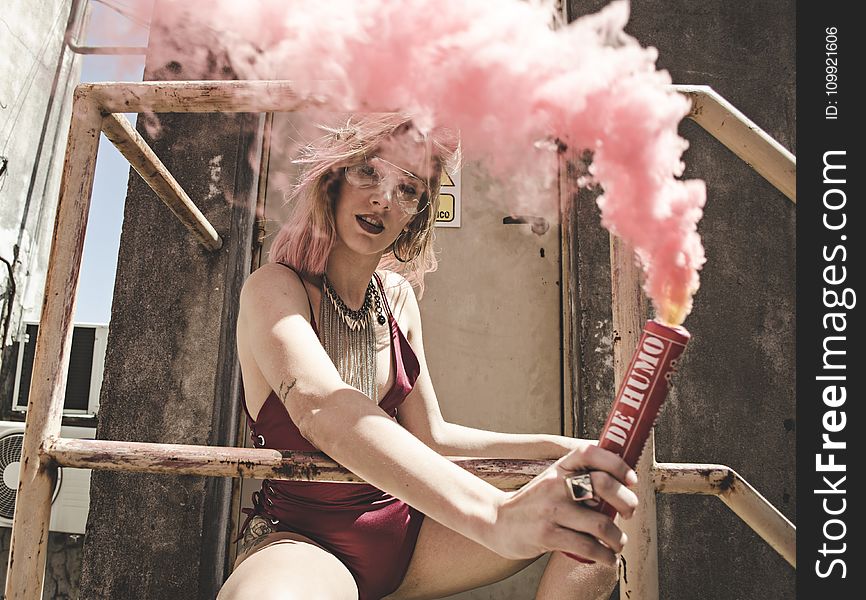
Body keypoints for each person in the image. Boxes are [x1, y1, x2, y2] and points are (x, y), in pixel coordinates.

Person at [218, 114, 639, 600]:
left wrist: (562, 448)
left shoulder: (395, 297)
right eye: (370, 172)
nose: (383, 199)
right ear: (335, 177)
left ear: (417, 214)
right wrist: (495, 516)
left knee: (590, 507)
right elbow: (320, 408)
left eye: (408, 190)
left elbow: (434, 437)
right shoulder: (275, 288)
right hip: (306, 543)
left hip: (412, 539)